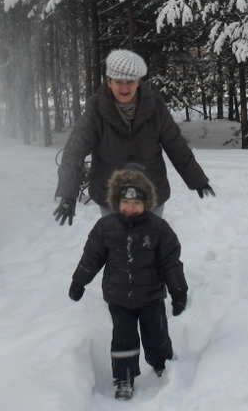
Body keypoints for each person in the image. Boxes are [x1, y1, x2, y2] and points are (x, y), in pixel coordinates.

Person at [54, 49, 214, 226]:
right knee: (116, 247)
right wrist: (68, 194)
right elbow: (73, 152)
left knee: (149, 246)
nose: (124, 88)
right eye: (118, 82)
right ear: (109, 82)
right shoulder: (95, 110)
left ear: (138, 82)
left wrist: (197, 180)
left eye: (130, 82)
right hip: (111, 196)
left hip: (151, 193)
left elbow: (176, 145)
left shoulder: (155, 106)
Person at [68, 166, 188, 400]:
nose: (130, 208)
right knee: (123, 339)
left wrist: (179, 291)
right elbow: (91, 258)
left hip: (151, 296)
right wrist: (79, 281)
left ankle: (162, 364)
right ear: (116, 201)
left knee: (157, 335)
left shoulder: (158, 229)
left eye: (136, 203)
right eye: (125, 202)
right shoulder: (106, 228)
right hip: (118, 297)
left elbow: (171, 263)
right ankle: (123, 377)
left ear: (146, 203)